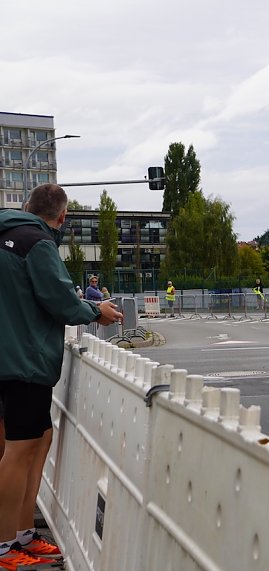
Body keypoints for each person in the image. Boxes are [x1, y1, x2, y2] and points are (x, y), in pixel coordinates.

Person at [0, 183, 123, 567]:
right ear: (62, 216)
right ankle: (5, 546)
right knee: (19, 451)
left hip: (10, 360)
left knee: (39, 440)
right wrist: (95, 311)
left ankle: (21, 535)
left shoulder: (7, 234)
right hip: (23, 361)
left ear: (27, 205)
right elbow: (59, 300)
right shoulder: (36, 243)